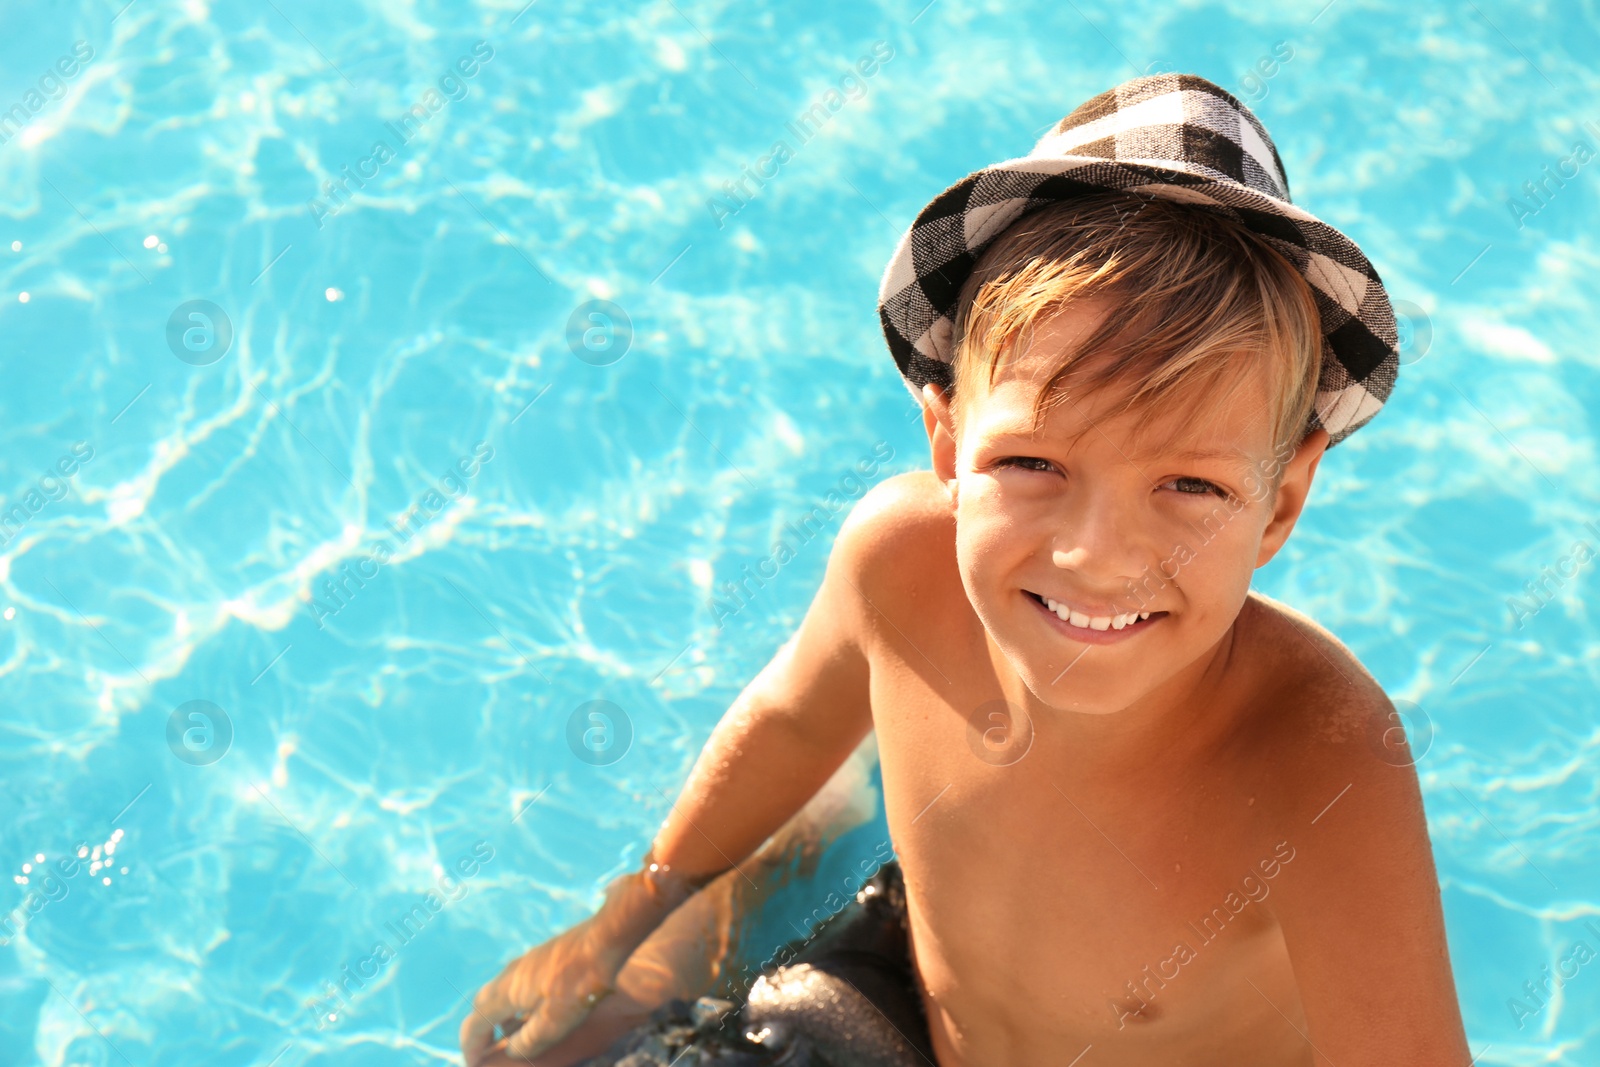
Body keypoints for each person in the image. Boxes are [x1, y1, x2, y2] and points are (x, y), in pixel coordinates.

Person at [460, 72, 1471, 1065]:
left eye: (1189, 487)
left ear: (1282, 502)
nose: (1092, 553)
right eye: (1032, 463)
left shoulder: (1315, 755)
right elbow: (791, 720)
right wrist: (621, 923)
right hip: (904, 998)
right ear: (945, 442)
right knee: (561, 1046)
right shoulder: (897, 564)